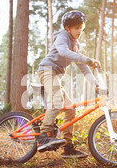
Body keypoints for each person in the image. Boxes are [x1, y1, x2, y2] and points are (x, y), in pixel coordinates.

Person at [36, 10, 101, 158]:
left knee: (70, 108)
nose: (79, 31)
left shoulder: (76, 46)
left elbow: (84, 70)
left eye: (81, 28)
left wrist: (95, 84)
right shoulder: (62, 37)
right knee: (57, 100)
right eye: (76, 28)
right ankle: (45, 134)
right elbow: (63, 52)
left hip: (56, 75)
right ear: (68, 28)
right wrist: (87, 59)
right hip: (47, 71)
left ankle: (67, 147)